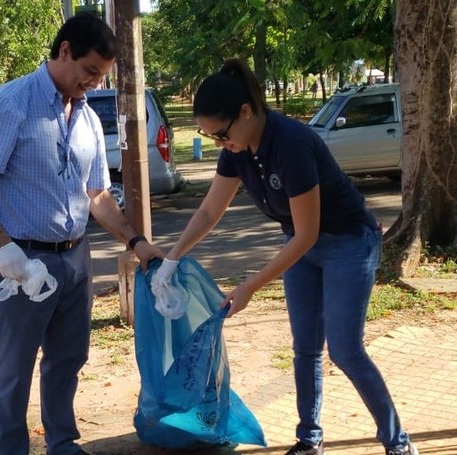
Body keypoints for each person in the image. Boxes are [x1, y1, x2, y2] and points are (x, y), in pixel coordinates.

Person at [150, 59, 418, 455]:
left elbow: (308, 233)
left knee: (345, 350)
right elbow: (209, 211)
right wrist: (171, 258)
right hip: (301, 246)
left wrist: (250, 286)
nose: (221, 144)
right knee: (305, 347)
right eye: (212, 138)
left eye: (221, 134)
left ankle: (398, 444)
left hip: (345, 241)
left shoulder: (291, 142)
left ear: (245, 112)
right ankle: (309, 439)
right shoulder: (237, 150)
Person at [0, 13, 162, 455]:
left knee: (68, 360)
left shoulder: (87, 117)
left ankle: (63, 444)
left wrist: (136, 242)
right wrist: (2, 247)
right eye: (89, 71)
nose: (92, 82)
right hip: (22, 263)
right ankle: (9, 449)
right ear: (64, 50)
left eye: (100, 75)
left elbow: (97, 195)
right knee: (12, 368)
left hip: (74, 260)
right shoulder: (11, 104)